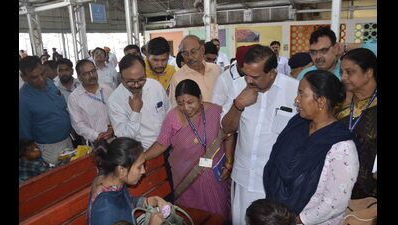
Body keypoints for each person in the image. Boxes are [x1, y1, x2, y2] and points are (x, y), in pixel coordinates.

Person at [263, 70, 359, 225]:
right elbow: (274, 164)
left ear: (321, 101)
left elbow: (334, 203)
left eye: (302, 94)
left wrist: (296, 220)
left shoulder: (342, 147)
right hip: (277, 215)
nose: (296, 100)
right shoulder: (297, 125)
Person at [221, 45, 299, 225]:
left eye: (254, 76)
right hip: (243, 177)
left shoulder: (293, 90)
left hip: (277, 183)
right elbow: (227, 128)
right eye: (245, 73)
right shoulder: (237, 87)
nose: (248, 80)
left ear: (272, 73)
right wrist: (238, 105)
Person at [143, 79, 231, 219]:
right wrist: (143, 157)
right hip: (186, 179)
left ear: (200, 98)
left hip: (215, 177)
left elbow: (229, 134)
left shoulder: (215, 111)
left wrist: (229, 162)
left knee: (217, 215)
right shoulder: (172, 117)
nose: (185, 108)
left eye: (190, 102)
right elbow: (161, 144)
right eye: (180, 103)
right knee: (190, 215)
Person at [87, 137, 168, 225]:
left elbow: (123, 203)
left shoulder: (114, 182)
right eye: (139, 167)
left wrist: (147, 202)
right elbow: (117, 206)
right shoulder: (105, 210)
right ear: (121, 170)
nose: (143, 171)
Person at [336, 48, 377, 199]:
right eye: (342, 72)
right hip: (338, 189)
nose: (343, 77)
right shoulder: (338, 104)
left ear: (369, 73)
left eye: (350, 72)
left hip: (370, 196)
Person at [108, 54, 170, 150]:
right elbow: (124, 137)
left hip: (167, 144)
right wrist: (135, 112)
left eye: (141, 80)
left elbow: (169, 114)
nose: (136, 85)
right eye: (130, 81)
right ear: (121, 77)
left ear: (145, 73)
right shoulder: (115, 101)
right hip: (143, 153)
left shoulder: (155, 86)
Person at [19, 56, 73, 164]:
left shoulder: (50, 83)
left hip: (68, 141)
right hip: (48, 150)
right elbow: (24, 136)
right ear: (23, 77)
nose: (41, 79)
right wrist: (37, 158)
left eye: (43, 73)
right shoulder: (22, 100)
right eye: (34, 77)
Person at [68, 59, 114, 146]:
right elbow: (78, 124)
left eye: (93, 71)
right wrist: (97, 136)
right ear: (79, 77)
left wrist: (112, 129)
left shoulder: (108, 89)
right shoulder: (74, 97)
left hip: (114, 138)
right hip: (94, 143)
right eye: (86, 73)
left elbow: (117, 112)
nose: (92, 75)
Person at [168, 35, 222, 107]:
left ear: (202, 50)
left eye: (193, 52)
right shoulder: (177, 78)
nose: (190, 57)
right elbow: (176, 108)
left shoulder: (216, 69)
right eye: (185, 53)